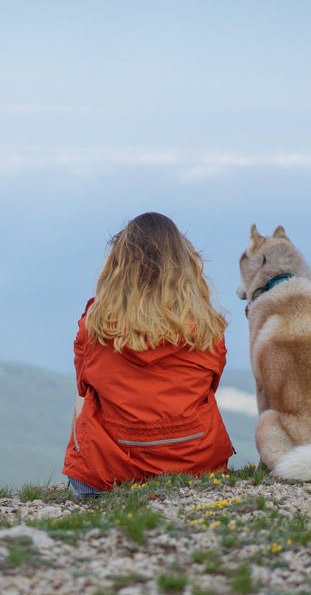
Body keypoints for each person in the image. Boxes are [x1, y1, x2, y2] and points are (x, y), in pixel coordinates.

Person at [62, 212, 234, 497]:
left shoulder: (94, 327)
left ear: (118, 266)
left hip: (108, 473)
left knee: (86, 396)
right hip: (197, 468)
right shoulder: (208, 328)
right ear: (184, 265)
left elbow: (82, 389)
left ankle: (87, 471)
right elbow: (210, 386)